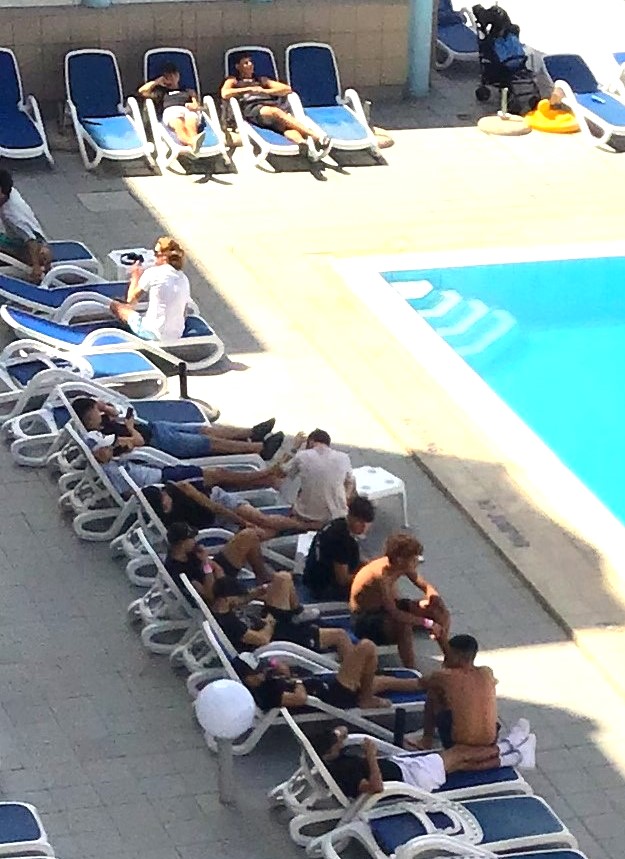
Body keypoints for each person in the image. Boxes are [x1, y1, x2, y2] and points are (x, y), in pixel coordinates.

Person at [311, 720, 536, 799]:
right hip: (412, 778)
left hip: (405, 769)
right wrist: (370, 756)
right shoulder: (344, 771)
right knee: (460, 753)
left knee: (462, 764)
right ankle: (510, 745)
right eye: (335, 743)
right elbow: (376, 787)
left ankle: (516, 755)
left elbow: (341, 730)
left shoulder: (329, 760)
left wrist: (337, 736)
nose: (339, 741)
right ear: (329, 754)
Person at [234, 637, 424, 712]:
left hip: (328, 686)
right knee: (367, 647)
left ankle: (426, 685)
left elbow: (276, 664)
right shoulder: (266, 693)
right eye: (256, 672)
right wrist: (297, 680)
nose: (261, 672)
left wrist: (277, 667)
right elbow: (300, 699)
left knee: (383, 681)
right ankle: (366, 699)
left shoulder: (261, 680)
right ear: (247, 679)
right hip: (332, 697)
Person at [349, 533, 450, 669]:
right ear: (400, 559)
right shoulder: (381, 577)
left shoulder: (402, 566)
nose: (417, 561)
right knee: (403, 627)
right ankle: (412, 670)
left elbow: (425, 586)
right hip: (366, 618)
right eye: (414, 558)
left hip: (386, 607)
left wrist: (436, 599)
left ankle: (450, 658)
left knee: (436, 610)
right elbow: (395, 613)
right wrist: (429, 623)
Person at [72, 396, 283, 461]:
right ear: (86, 419)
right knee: (210, 443)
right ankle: (259, 449)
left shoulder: (104, 420)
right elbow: (138, 442)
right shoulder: (103, 437)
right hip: (158, 443)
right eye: (93, 412)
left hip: (157, 428)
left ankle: (251, 433)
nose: (97, 412)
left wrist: (105, 408)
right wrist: (129, 427)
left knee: (205, 430)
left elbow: (117, 410)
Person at [211, 574, 352, 659]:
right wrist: (270, 623)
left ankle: (298, 613)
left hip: (267, 622)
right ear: (226, 598)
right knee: (340, 635)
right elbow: (262, 639)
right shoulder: (230, 624)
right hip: (277, 637)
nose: (241, 598)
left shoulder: (220, 607)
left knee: (282, 578)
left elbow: (243, 599)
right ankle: (352, 678)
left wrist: (258, 592)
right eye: (237, 596)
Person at [221, 53, 332, 160]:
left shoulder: (261, 80)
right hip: (253, 109)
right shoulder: (233, 80)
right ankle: (316, 136)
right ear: (237, 66)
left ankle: (302, 144)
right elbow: (225, 93)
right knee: (275, 112)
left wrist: (265, 90)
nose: (250, 65)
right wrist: (248, 89)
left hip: (270, 109)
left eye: (251, 62)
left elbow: (287, 89)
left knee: (284, 128)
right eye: (245, 63)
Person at [416, 634, 502, 751]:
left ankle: (426, 740)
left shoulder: (444, 676)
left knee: (434, 691)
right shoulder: (487, 672)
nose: (444, 659)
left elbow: (417, 684)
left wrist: (385, 682)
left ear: (457, 657)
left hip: (458, 743)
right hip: (490, 740)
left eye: (447, 655)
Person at [110, 236, 190, 342]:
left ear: (164, 257)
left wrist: (135, 276)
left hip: (152, 332)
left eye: (156, 253)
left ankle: (125, 334)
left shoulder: (153, 272)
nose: (154, 256)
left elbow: (131, 300)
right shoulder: (184, 278)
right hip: (176, 334)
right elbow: (184, 311)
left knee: (116, 306)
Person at [164, 520, 271, 598]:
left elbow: (213, 565)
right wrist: (207, 564)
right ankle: (264, 587)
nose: (194, 540)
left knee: (248, 535)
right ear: (183, 543)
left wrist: (218, 572)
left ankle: (263, 578)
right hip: (216, 590)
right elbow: (208, 594)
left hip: (216, 575)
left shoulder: (187, 552)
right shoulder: (178, 570)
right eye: (191, 538)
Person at [303, 495, 375, 601]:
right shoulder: (342, 540)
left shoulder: (338, 524)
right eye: (360, 522)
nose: (364, 527)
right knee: (376, 586)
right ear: (350, 516)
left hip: (312, 575)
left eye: (367, 523)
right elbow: (342, 579)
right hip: (323, 588)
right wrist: (368, 574)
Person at [278, 429, 355, 527]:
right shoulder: (344, 457)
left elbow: (279, 472)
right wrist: (345, 497)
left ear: (311, 442)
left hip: (306, 515)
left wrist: (294, 448)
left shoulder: (302, 455)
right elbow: (350, 483)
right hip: (335, 516)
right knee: (350, 482)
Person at [139, 62, 205, 154]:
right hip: (171, 111)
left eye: (174, 74)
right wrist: (157, 82)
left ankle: (193, 145)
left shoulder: (188, 91)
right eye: (168, 76)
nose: (172, 77)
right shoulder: (161, 92)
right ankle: (192, 144)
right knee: (179, 123)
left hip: (188, 110)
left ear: (178, 75)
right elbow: (142, 91)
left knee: (191, 121)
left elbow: (197, 106)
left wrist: (195, 106)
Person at [0, 168, 51, 284]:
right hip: (18, 238)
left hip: (26, 247)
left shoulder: (13, 216)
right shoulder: (10, 192)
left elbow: (31, 241)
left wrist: (36, 267)